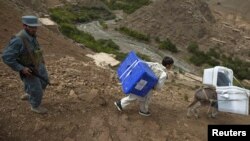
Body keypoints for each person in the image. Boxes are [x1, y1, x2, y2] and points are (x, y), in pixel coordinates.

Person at [2, 15, 49, 114]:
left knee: (44, 82)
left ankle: (29, 93)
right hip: (28, 69)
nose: (34, 29)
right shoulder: (18, 40)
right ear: (25, 26)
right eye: (32, 27)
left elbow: (35, 50)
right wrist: (22, 68)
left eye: (35, 27)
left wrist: (41, 60)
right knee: (37, 90)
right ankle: (35, 106)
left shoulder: (31, 35)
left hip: (38, 64)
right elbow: (6, 57)